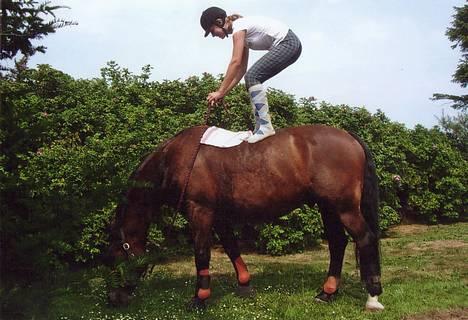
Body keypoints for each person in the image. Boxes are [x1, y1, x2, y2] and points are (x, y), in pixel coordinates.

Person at [200, 7, 302, 143]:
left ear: (219, 22)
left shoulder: (239, 28)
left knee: (252, 77)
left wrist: (219, 91)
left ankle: (265, 126)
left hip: (288, 43)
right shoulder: (242, 33)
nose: (213, 35)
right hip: (291, 45)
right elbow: (242, 69)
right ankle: (261, 126)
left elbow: (235, 62)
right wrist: (224, 93)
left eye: (212, 31)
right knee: (251, 77)